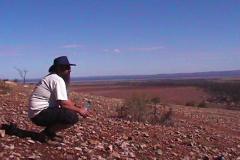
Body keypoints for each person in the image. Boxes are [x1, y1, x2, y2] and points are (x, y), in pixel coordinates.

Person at [28, 56, 89, 143]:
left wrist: (75, 106)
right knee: (71, 116)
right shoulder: (57, 80)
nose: (70, 70)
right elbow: (63, 103)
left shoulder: (52, 77)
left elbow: (64, 100)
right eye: (67, 67)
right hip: (39, 114)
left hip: (36, 113)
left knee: (70, 111)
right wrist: (79, 110)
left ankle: (50, 132)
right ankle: (46, 134)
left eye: (69, 67)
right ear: (59, 68)